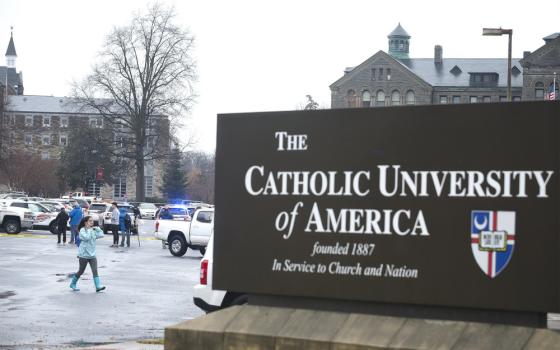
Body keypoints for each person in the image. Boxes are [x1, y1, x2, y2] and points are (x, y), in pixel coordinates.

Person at [69, 216, 106, 292]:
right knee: (81, 271)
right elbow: (86, 238)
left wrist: (98, 229)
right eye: (90, 221)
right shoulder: (82, 230)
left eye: (92, 221)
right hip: (83, 255)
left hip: (92, 255)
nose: (92, 222)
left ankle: (98, 286)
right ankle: (73, 284)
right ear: (85, 222)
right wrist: (89, 230)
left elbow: (101, 235)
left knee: (95, 270)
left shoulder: (92, 230)